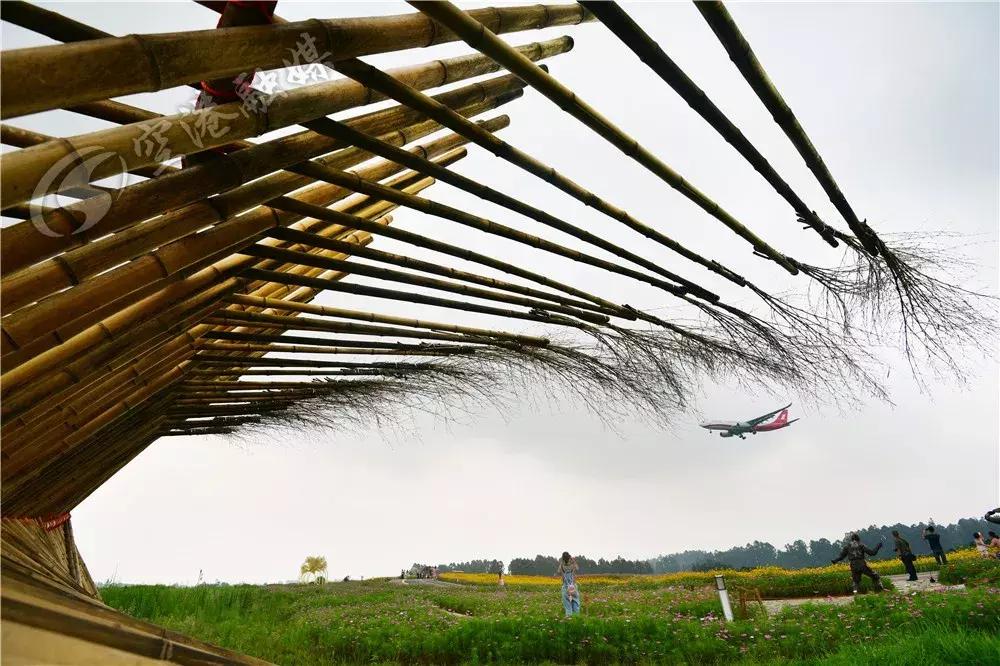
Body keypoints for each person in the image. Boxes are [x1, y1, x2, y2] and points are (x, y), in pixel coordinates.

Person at [555, 551, 581, 616]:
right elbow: (577, 568)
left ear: (563, 558)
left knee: (567, 606)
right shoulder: (573, 565)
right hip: (573, 587)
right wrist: (573, 561)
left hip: (565, 587)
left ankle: (569, 618)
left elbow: (558, 571)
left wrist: (561, 562)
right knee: (576, 603)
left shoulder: (562, 565)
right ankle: (576, 618)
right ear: (569, 557)